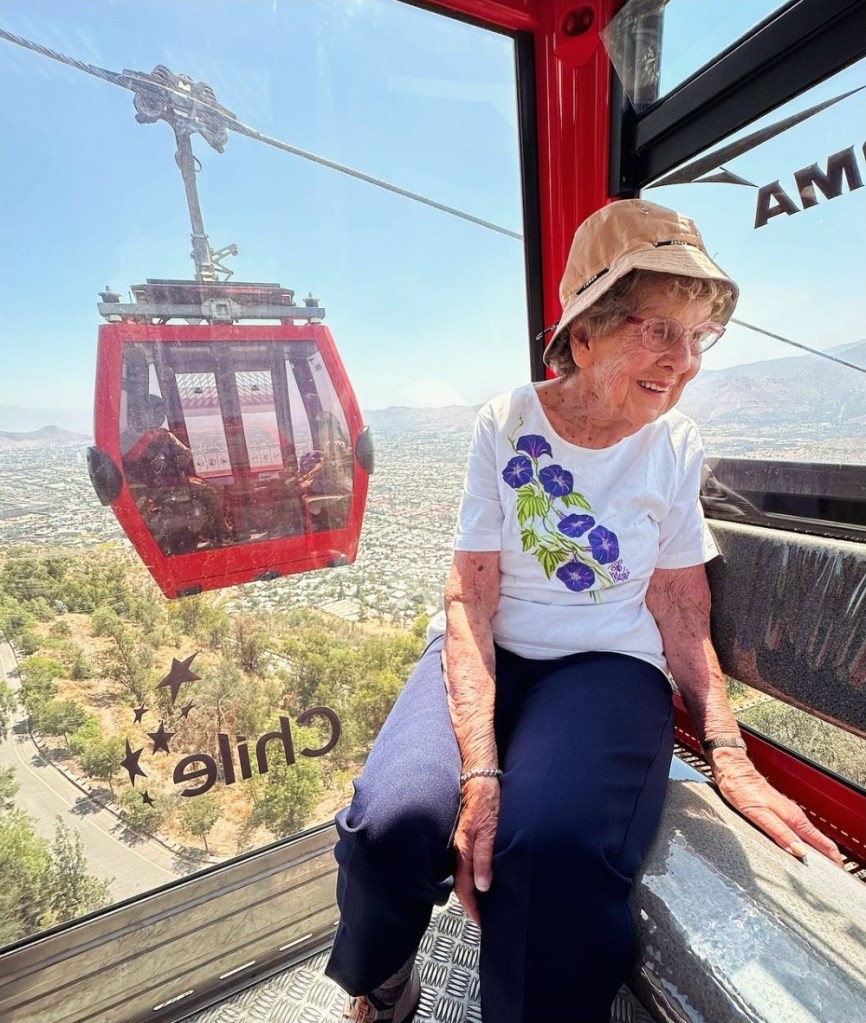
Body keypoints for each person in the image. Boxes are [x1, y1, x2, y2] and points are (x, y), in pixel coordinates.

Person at [324, 200, 842, 1023]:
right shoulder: (508, 423)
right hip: (491, 649)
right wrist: (481, 767)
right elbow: (472, 593)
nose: (686, 362)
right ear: (587, 332)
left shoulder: (674, 444)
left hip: (606, 665)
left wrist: (727, 748)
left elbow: (677, 599)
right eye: (661, 330)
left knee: (553, 847)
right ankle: (383, 975)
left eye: (698, 337)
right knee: (392, 822)